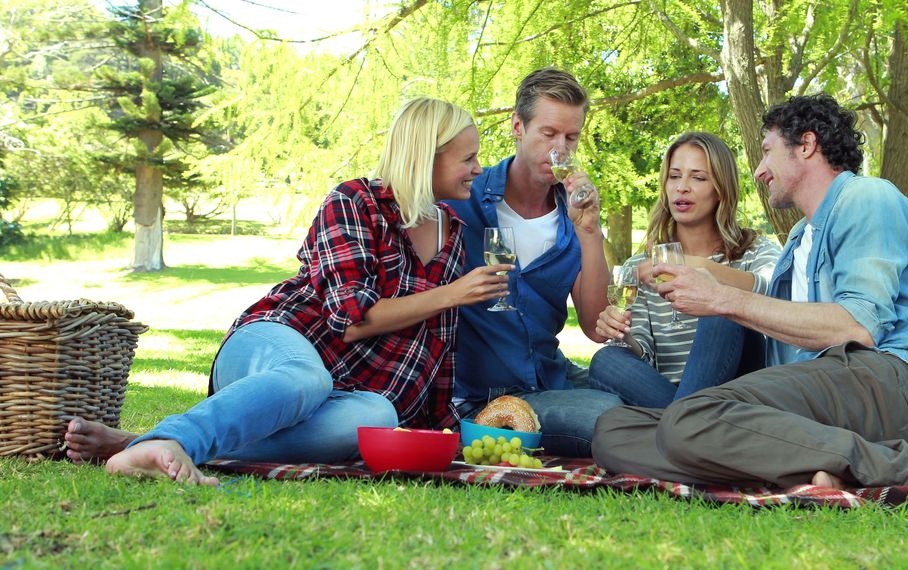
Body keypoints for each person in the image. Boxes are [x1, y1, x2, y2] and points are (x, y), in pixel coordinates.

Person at [63, 98, 513, 485]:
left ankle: (140, 444)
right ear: (424, 157)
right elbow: (352, 321)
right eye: (467, 158)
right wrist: (452, 293)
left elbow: (434, 347)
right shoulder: (355, 202)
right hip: (277, 345)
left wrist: (444, 436)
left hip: (345, 393)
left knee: (377, 419)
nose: (478, 168)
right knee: (306, 378)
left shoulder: (453, 234)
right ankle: (169, 441)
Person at [592, 94, 908, 513]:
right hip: (809, 396)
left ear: (805, 145)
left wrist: (723, 298)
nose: (758, 169)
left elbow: (855, 326)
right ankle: (821, 470)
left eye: (767, 150)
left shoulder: (867, 198)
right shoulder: (798, 242)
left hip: (879, 381)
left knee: (689, 419)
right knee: (614, 431)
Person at [443, 68, 622, 457]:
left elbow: (594, 327)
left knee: (627, 376)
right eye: (549, 134)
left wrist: (590, 230)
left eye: (571, 137)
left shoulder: (572, 215)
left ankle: (700, 423)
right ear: (518, 126)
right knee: (610, 416)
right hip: (482, 392)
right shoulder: (463, 200)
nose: (561, 149)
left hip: (550, 377)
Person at [588, 132, 780, 408]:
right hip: (665, 393)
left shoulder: (755, 251)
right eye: (674, 176)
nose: (682, 187)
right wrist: (622, 334)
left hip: (739, 392)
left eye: (698, 178)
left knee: (721, 305)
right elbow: (644, 357)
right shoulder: (637, 269)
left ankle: (680, 427)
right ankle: (690, 426)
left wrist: (694, 266)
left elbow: (776, 290)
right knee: (606, 359)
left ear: (721, 189)